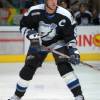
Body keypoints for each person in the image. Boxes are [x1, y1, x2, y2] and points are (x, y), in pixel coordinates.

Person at [8, 0, 85, 100]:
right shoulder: (34, 11)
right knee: (28, 69)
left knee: (64, 67)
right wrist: (30, 34)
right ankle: (16, 96)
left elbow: (71, 36)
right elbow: (23, 26)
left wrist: (73, 51)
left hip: (58, 43)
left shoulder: (65, 15)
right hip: (38, 43)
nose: (54, 2)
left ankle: (79, 96)